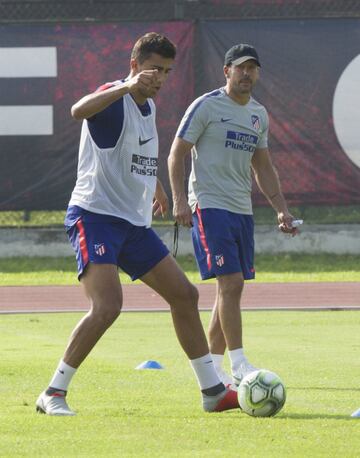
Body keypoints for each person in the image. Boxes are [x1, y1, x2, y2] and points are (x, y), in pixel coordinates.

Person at [36, 32, 239, 416]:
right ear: (134, 65)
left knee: (186, 296)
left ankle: (212, 391)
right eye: (152, 70)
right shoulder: (116, 94)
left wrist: (157, 186)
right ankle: (53, 393)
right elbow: (78, 110)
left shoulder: (148, 107)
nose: (159, 78)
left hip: (132, 224)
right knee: (108, 306)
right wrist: (125, 86)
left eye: (166, 72)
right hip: (94, 218)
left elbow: (133, 154)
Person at [168, 43, 298, 386]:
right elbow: (176, 153)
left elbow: (263, 165)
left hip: (242, 209)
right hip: (210, 205)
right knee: (231, 283)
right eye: (240, 68)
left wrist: (281, 209)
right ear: (226, 71)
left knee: (230, 290)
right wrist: (181, 200)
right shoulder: (207, 106)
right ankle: (239, 363)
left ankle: (212, 369)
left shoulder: (259, 114)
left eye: (252, 68)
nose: (246, 73)